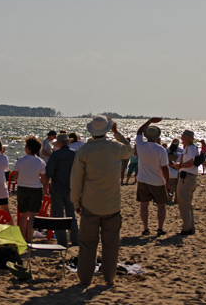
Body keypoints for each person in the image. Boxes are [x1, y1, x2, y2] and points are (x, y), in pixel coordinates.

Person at [70, 115, 132, 286]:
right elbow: (130, 149)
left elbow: (76, 179)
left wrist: (76, 202)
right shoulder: (115, 147)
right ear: (107, 130)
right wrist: (117, 132)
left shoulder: (85, 150)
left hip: (90, 204)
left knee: (87, 245)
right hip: (112, 204)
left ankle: (85, 279)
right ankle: (109, 278)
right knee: (111, 245)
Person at [135, 118, 170, 236]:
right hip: (158, 181)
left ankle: (145, 228)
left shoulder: (140, 145)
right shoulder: (161, 150)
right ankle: (160, 228)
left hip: (143, 179)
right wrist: (168, 182)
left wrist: (149, 121)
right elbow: (165, 168)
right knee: (161, 206)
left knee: (144, 205)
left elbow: (139, 132)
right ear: (157, 137)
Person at [44, 133, 79, 247]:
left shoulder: (55, 155)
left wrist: (45, 187)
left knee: (58, 216)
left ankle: (62, 241)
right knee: (71, 215)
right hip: (71, 188)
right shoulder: (74, 154)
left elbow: (49, 172)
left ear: (58, 143)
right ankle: (75, 239)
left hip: (57, 188)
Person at [14, 136, 47, 242]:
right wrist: (45, 189)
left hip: (22, 188)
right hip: (35, 189)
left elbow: (15, 177)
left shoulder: (20, 160)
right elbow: (43, 179)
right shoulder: (41, 162)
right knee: (32, 216)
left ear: (28, 148)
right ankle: (29, 239)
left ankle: (22, 238)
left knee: (24, 215)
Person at [176, 130, 199, 236]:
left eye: (184, 137)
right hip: (188, 177)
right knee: (187, 203)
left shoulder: (191, 148)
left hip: (187, 178)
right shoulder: (189, 148)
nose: (182, 139)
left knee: (184, 203)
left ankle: (186, 228)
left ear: (189, 138)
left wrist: (180, 166)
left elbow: (190, 163)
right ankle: (189, 227)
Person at [167, 139, 182, 204]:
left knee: (171, 188)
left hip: (170, 173)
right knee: (177, 188)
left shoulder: (167, 153)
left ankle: (169, 199)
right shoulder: (179, 154)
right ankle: (176, 200)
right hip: (177, 172)